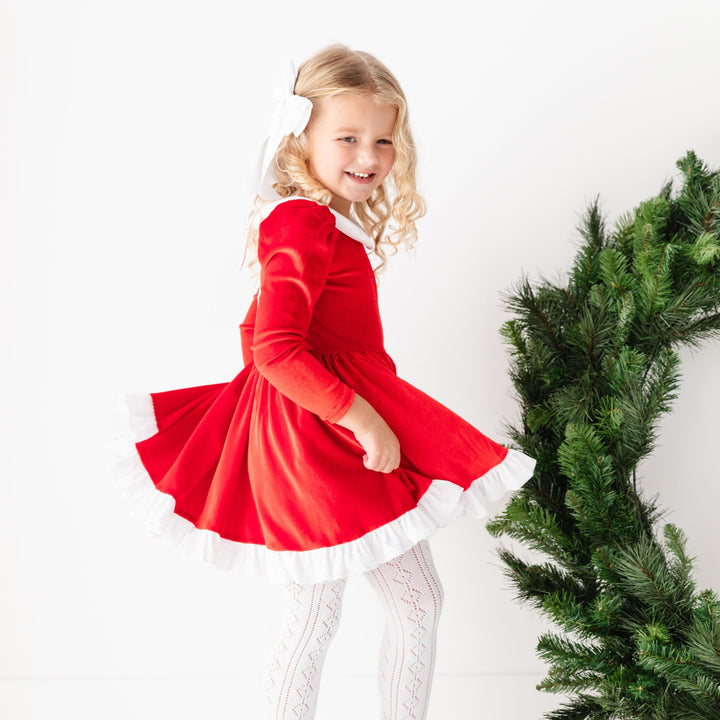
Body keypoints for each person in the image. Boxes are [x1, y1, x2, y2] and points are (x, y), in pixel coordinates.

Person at [111, 44, 536, 720]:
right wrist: (359, 415)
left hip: (317, 430)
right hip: (322, 438)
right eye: (347, 138)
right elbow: (277, 348)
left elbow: (254, 333)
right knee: (344, 605)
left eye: (383, 140)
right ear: (299, 135)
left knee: (366, 604)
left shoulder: (312, 220)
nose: (368, 156)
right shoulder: (302, 219)